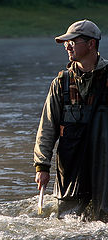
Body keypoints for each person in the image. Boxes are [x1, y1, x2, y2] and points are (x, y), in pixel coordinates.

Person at [33, 19, 108, 221]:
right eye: (66, 42)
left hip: (104, 168)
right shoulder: (60, 83)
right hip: (70, 167)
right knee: (68, 222)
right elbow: (47, 128)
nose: (67, 46)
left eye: (73, 41)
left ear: (91, 44)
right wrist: (42, 166)